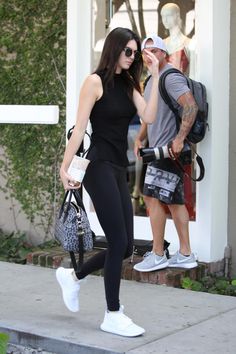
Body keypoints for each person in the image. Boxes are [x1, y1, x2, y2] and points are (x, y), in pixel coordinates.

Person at [56, 27, 160, 337]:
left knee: (126, 245)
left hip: (119, 166)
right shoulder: (94, 82)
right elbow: (79, 129)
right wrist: (64, 168)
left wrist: (154, 76)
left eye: (135, 52)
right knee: (117, 241)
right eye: (127, 51)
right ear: (114, 49)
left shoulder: (130, 85)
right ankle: (112, 313)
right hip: (97, 165)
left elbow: (150, 118)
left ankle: (73, 277)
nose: (132, 57)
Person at [133, 34, 198, 273]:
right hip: (160, 150)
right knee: (172, 200)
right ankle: (185, 253)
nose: (150, 55)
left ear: (163, 54)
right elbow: (150, 115)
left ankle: (159, 253)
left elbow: (191, 105)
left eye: (154, 51)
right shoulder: (152, 79)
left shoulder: (170, 77)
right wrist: (140, 137)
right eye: (145, 52)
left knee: (153, 198)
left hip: (169, 151)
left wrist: (180, 139)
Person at [160, 3, 192, 76]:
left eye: (168, 15)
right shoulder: (162, 43)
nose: (165, 20)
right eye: (163, 16)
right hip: (164, 85)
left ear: (177, 16)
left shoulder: (189, 43)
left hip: (183, 85)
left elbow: (193, 73)